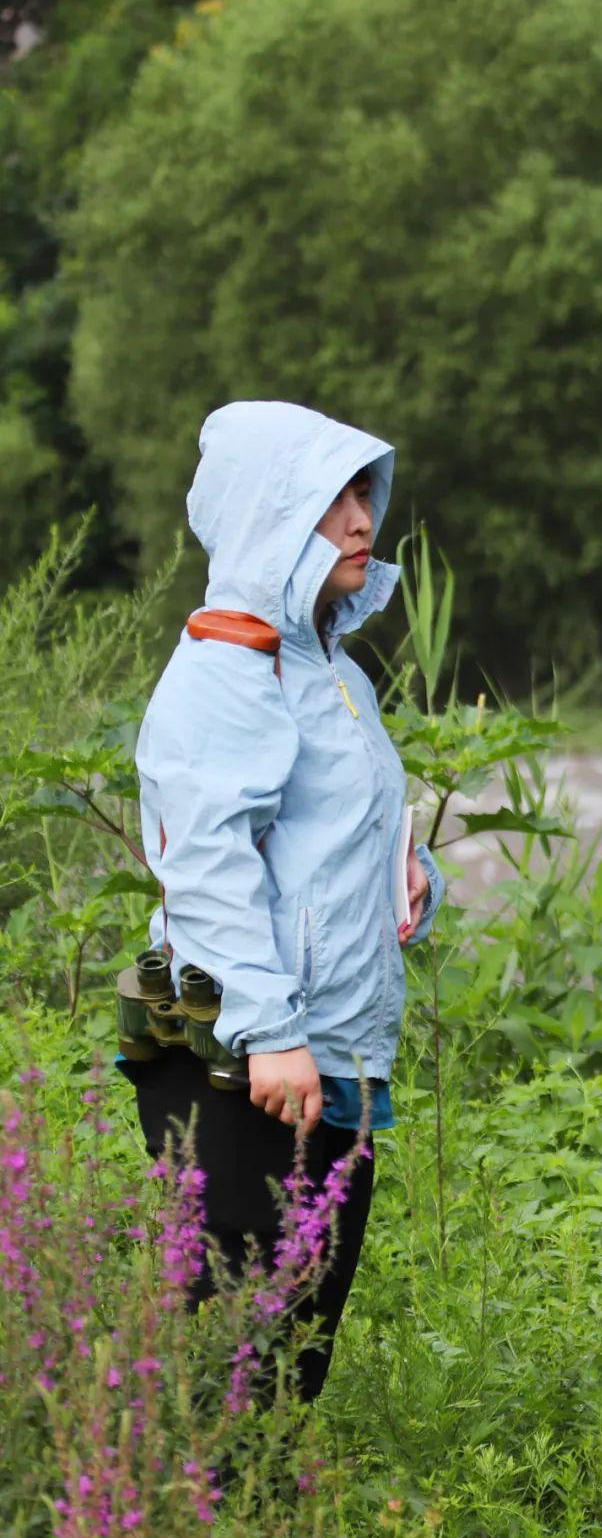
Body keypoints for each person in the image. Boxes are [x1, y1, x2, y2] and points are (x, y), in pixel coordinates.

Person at [121, 399, 445, 1402]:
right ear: (269, 514)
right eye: (329, 499)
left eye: (364, 495)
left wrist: (412, 881)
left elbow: (322, 840)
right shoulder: (230, 667)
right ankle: (154, 1535)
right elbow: (208, 867)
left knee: (294, 1346)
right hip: (239, 1044)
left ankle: (236, 1534)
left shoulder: (331, 668)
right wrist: (267, 1031)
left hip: (319, 1037)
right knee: (237, 1351)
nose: (361, 521)